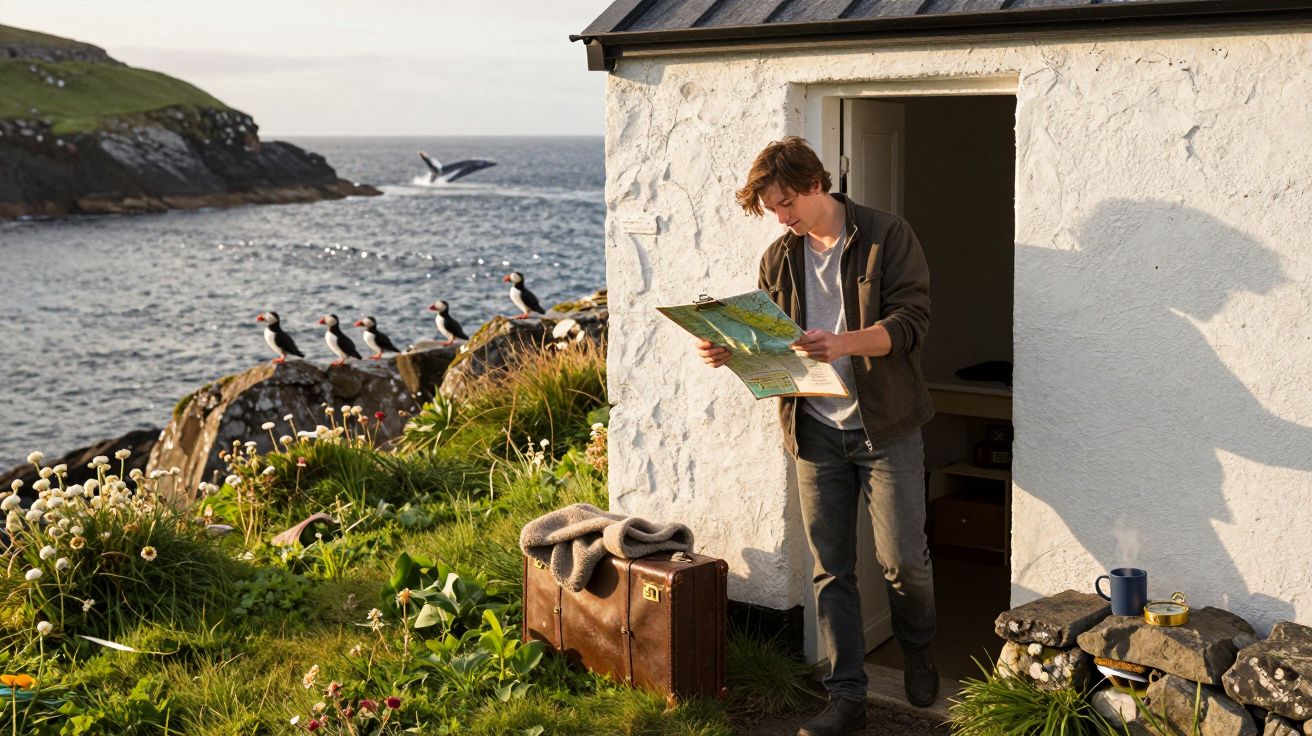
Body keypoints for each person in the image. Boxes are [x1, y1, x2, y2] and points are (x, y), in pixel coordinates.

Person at [694, 136, 938, 736]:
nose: (781, 218)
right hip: (815, 430)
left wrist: (844, 342)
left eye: (785, 204)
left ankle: (917, 651)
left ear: (814, 184)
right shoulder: (779, 258)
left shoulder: (886, 235)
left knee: (903, 562)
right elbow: (772, 344)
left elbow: (913, 323)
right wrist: (731, 351)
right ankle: (846, 695)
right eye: (772, 210)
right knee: (832, 568)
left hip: (887, 427)